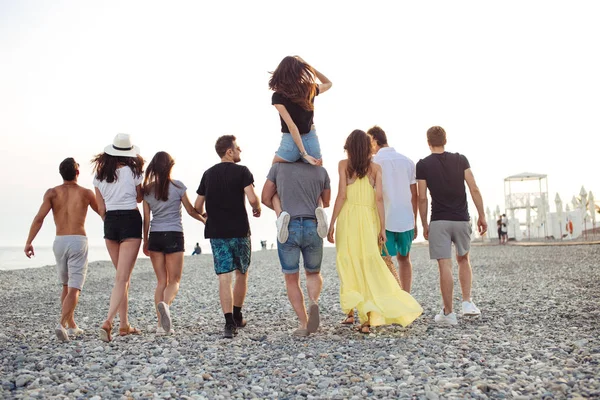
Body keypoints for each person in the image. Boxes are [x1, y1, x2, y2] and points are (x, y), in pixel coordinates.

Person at [327, 130, 423, 334]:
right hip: (369, 219)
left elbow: (342, 195)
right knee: (369, 263)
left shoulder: (343, 165)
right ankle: (366, 318)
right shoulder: (376, 168)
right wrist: (381, 227)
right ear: (368, 147)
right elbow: (379, 199)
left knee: (348, 260)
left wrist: (332, 223)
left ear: (349, 147)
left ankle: (356, 309)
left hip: (349, 217)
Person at [416, 126, 487, 325]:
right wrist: (482, 215)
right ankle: (467, 303)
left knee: (444, 264)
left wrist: (424, 224)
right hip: (461, 218)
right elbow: (473, 187)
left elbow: (422, 197)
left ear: (428, 142)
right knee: (463, 259)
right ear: (445, 140)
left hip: (439, 219)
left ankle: (449, 313)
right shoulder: (461, 159)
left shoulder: (422, 165)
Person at [24, 158, 99, 342]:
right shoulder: (86, 193)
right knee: (74, 288)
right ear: (77, 173)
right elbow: (104, 214)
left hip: (59, 241)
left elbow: (39, 218)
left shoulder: (52, 193)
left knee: (66, 285)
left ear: (61, 173)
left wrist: (29, 241)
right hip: (78, 240)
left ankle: (72, 325)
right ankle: (62, 325)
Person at [195, 135, 261, 338]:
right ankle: (238, 315)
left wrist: (206, 217)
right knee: (241, 272)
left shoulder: (208, 174)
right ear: (229, 152)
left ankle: (229, 324)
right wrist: (257, 208)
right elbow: (251, 198)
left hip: (217, 232)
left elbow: (198, 206)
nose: (240, 150)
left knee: (224, 277)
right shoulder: (242, 171)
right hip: (240, 230)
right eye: (238, 148)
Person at [261, 161, 331, 337]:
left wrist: (279, 203)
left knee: (292, 278)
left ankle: (303, 323)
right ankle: (313, 301)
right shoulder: (320, 170)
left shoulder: (278, 168)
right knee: (313, 273)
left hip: (289, 226)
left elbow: (264, 198)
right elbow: (328, 199)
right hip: (312, 225)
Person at [269, 55, 332, 243]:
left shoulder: (278, 95)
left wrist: (301, 152)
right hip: (311, 139)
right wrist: (311, 68)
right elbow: (329, 83)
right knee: (317, 179)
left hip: (290, 142)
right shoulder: (309, 89)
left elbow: (292, 126)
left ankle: (281, 216)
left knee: (272, 178)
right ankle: (318, 208)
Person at [142, 151, 206, 335]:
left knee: (161, 281)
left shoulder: (147, 190)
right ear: (170, 166)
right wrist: (203, 220)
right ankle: (166, 305)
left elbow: (146, 219)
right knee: (175, 280)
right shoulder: (178, 186)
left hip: (155, 235)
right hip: (174, 234)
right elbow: (190, 211)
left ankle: (160, 326)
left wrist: (145, 240)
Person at [93, 133, 145, 342]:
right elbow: (140, 198)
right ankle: (108, 322)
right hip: (130, 219)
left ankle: (124, 325)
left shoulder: (98, 176)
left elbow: (100, 207)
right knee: (122, 278)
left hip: (111, 221)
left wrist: (110, 220)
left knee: (121, 277)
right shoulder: (134, 172)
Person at [367, 126, 418, 293]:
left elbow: (370, 193)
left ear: (374, 140)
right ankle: (406, 295)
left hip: (383, 219)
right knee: (405, 259)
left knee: (383, 260)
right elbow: (414, 194)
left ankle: (390, 298)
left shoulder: (373, 163)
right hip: (405, 218)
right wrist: (415, 220)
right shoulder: (407, 161)